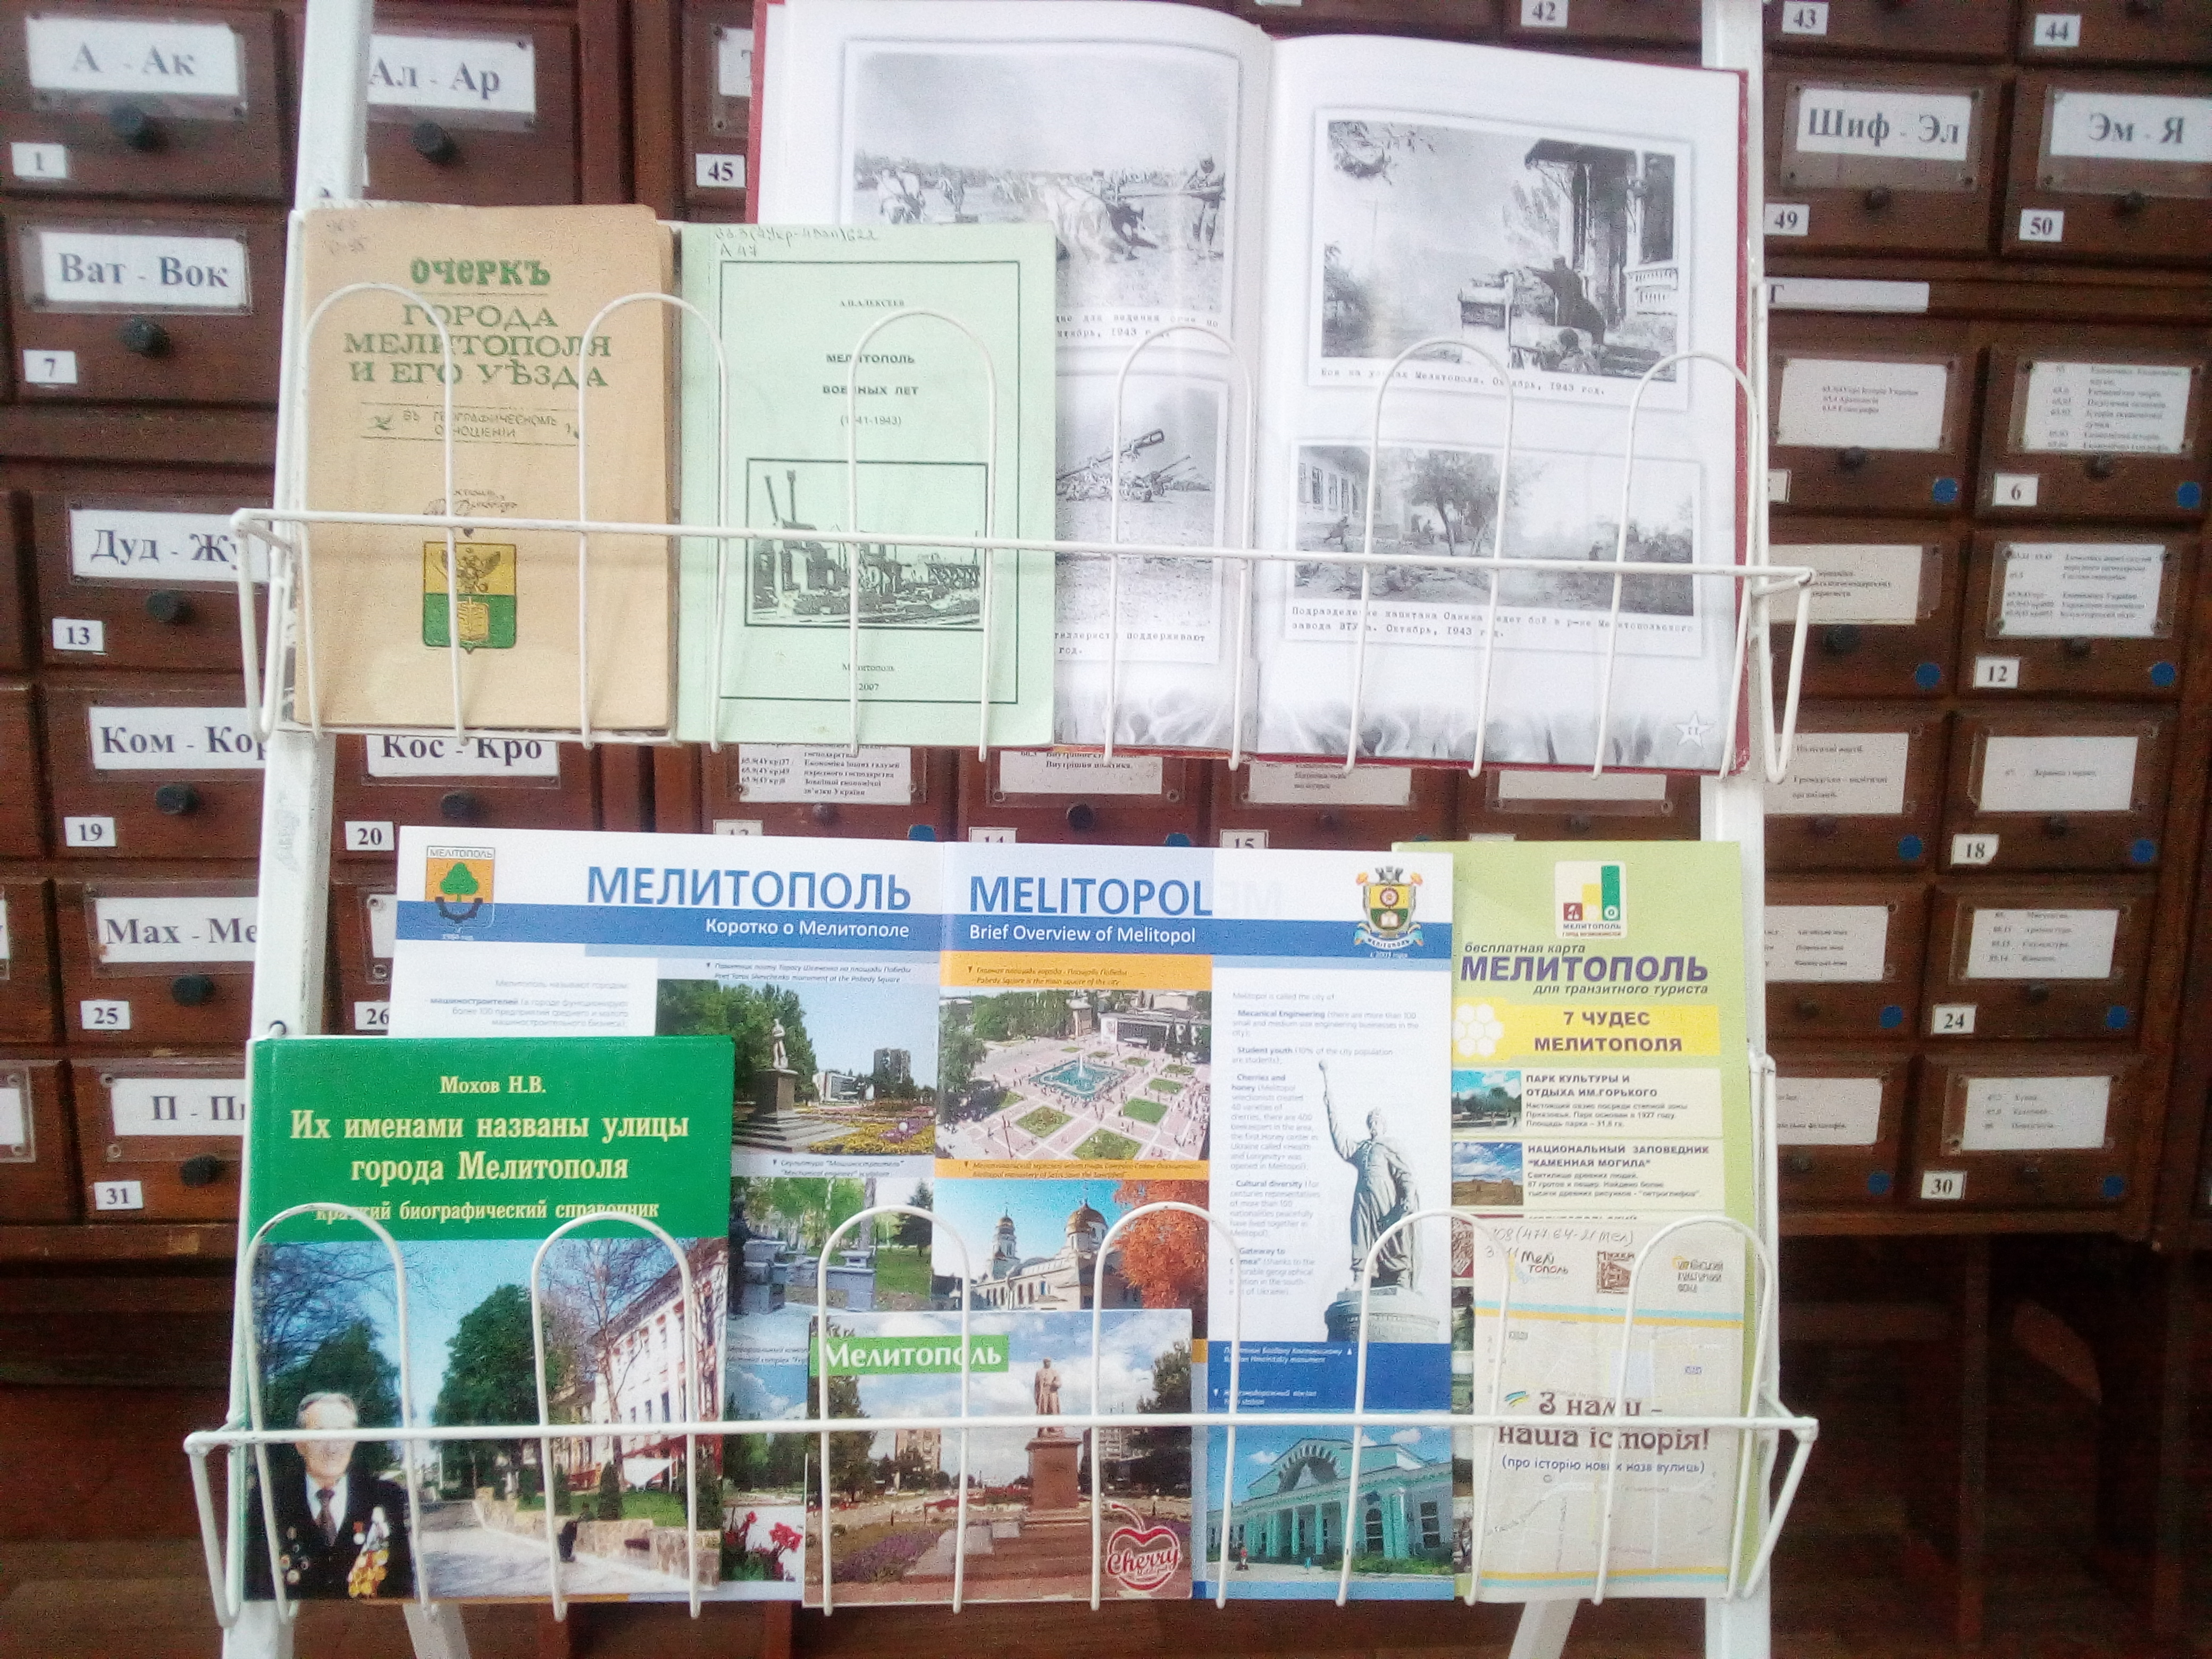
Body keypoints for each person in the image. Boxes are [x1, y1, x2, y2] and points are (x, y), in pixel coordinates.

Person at [245, 1392, 416, 1600]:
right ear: (299, 1443)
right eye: (319, 1435)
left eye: (342, 1435)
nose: (332, 1448)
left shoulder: (385, 1498)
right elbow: (257, 1587)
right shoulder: (269, 1500)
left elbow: (402, 1588)